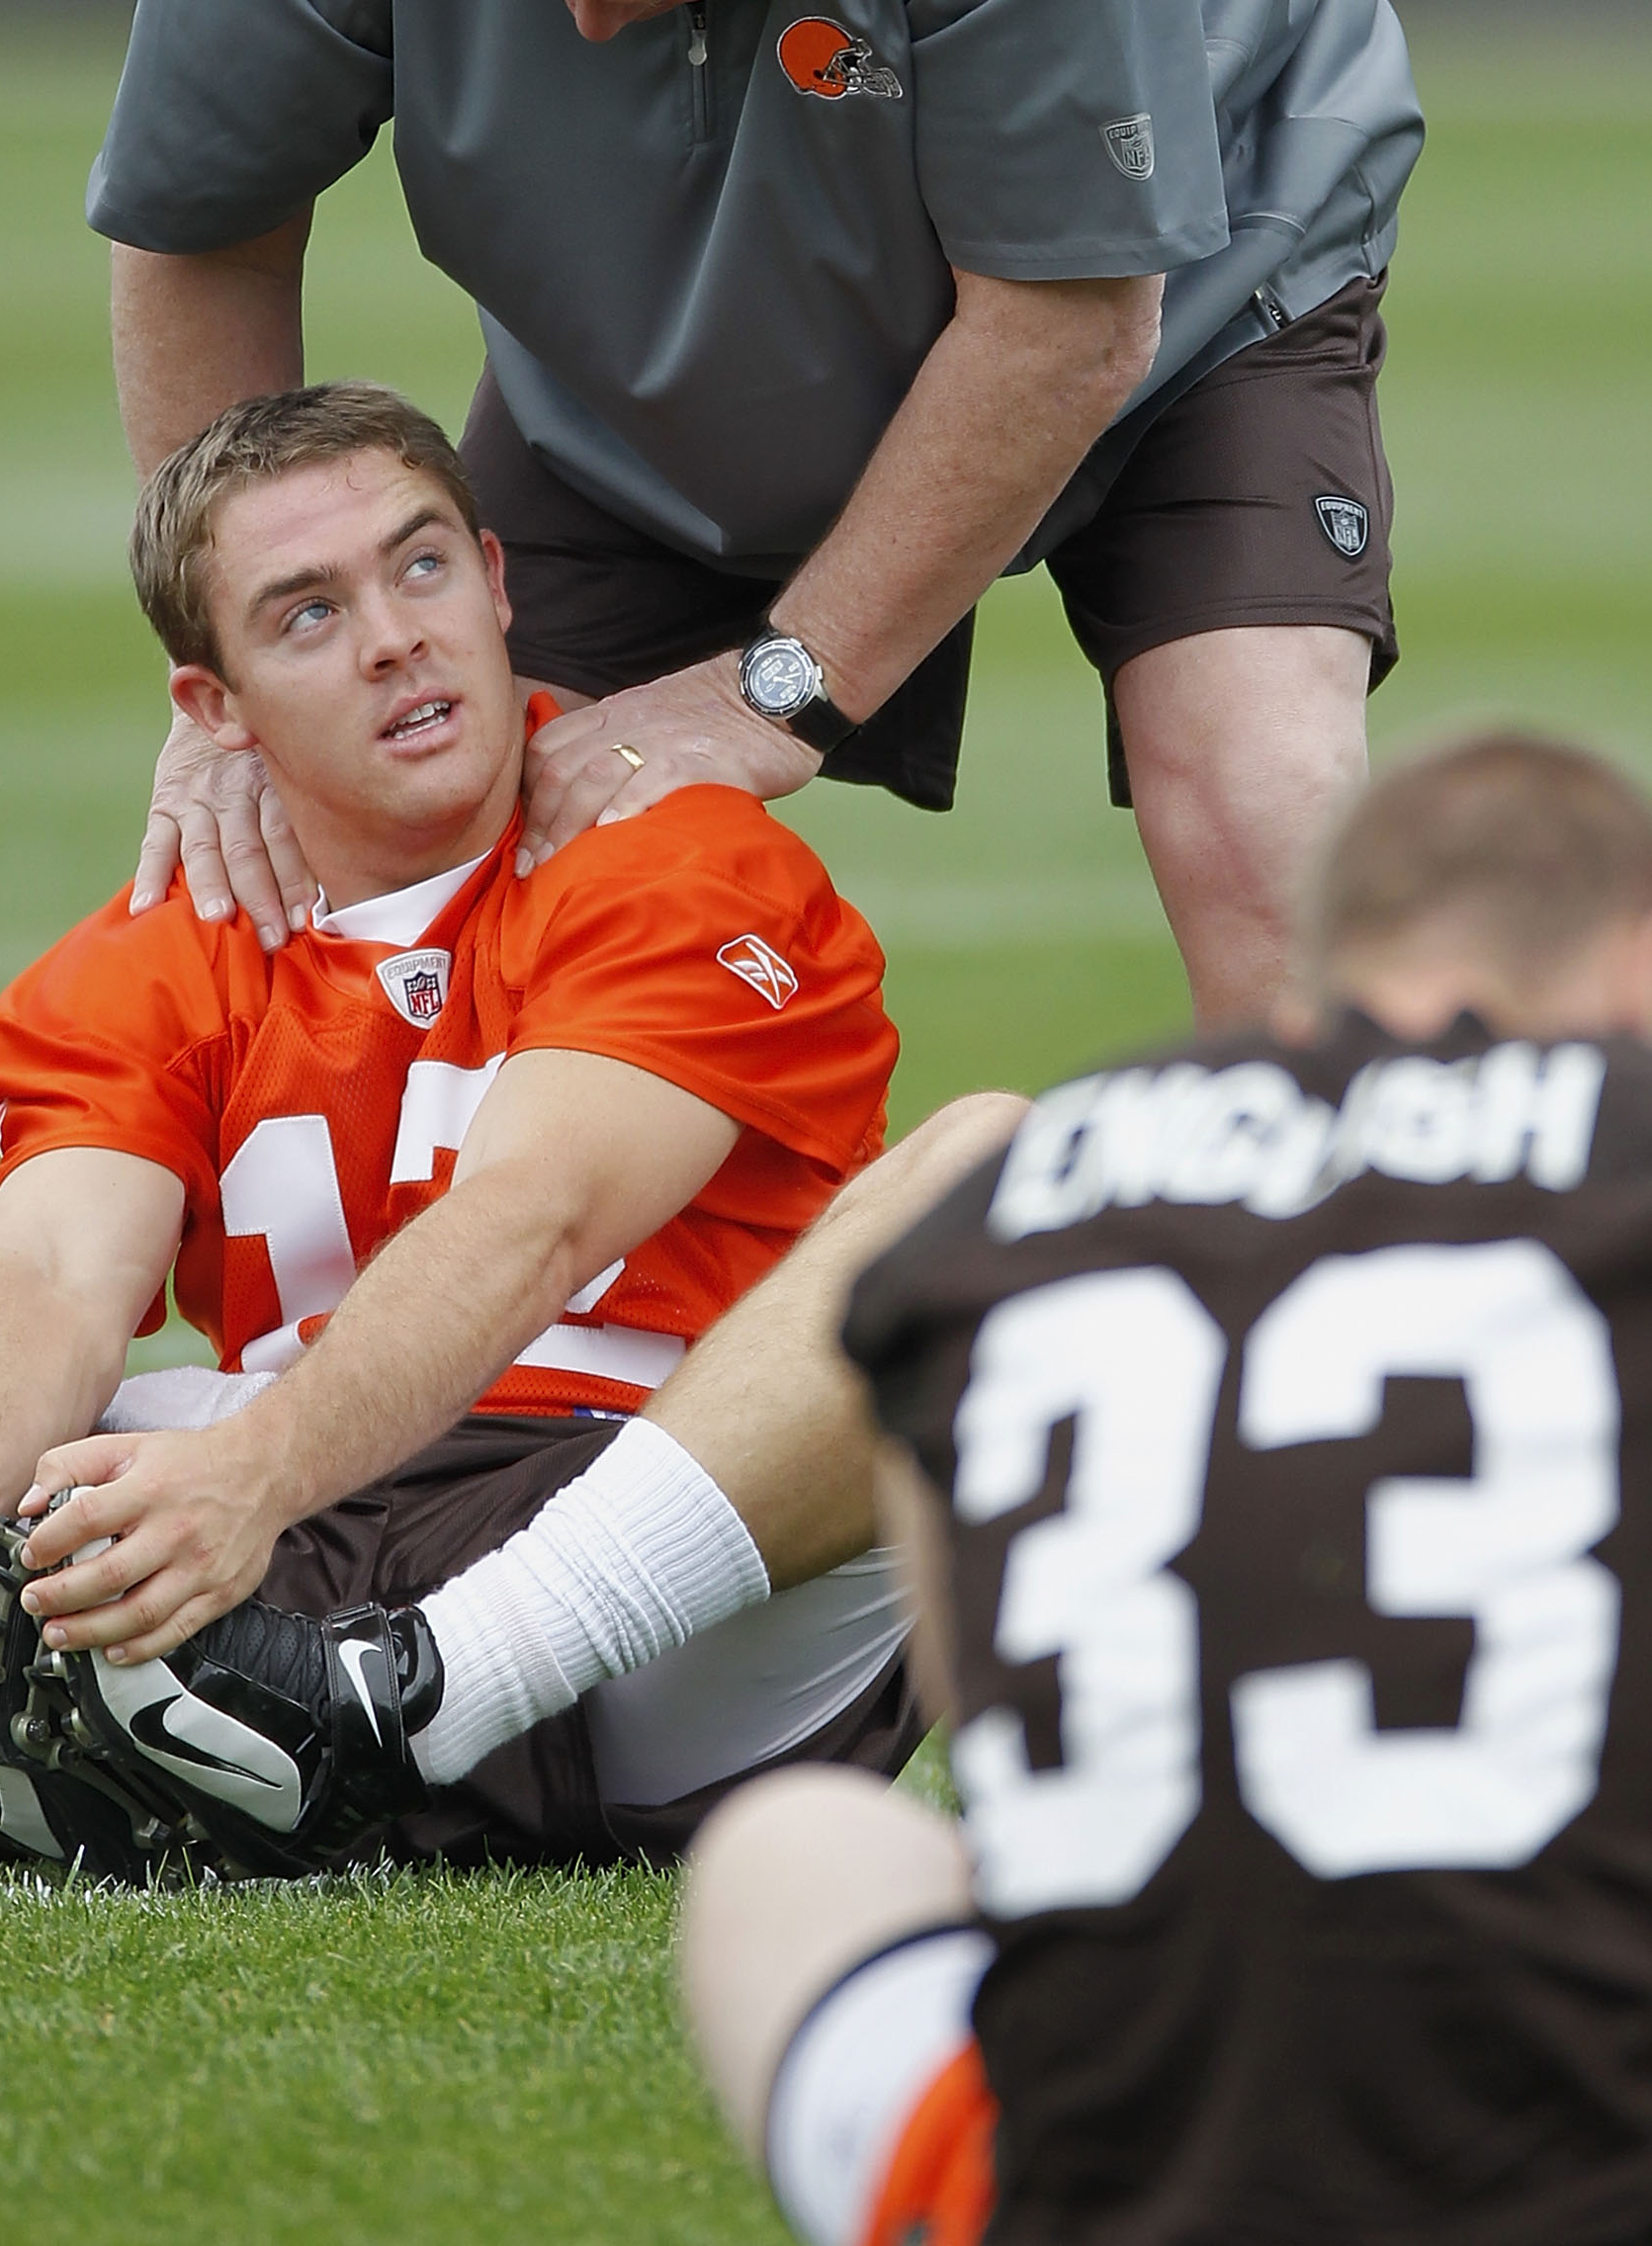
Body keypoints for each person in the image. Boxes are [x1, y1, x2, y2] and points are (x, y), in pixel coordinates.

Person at [0, 383, 973, 1881]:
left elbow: (534, 1212)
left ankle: (409, 1703)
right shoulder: (163, 946)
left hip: (640, 1554)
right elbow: (50, 1275)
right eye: (306, 614)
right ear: (213, 712)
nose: (395, 635)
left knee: (997, 1173)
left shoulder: (673, 856)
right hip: (286, 1557)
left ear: (495, 579)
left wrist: (259, 1468)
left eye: (418, 568)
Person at [92, 0, 1425, 1030]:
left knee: (1260, 819)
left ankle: (1387, 1255)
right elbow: (202, 230)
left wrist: (775, 690)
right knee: (430, 891)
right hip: (629, 348)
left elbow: (1068, 317)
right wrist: (248, 693)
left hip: (1198, 274)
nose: (584, 31)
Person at [682, 731, 1652, 2246]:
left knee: (789, 1852)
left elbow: (973, 1698)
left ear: (1307, 997)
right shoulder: (1620, 1142)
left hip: (1114, 2183)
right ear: (1633, 967)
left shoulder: (1022, 1191)